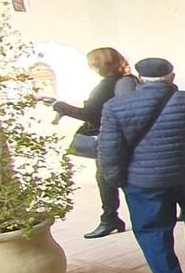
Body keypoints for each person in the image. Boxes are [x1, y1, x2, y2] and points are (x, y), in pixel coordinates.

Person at [98, 58, 185, 273]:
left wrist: (116, 179)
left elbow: (110, 149)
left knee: (152, 229)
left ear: (140, 79)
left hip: (144, 179)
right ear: (172, 77)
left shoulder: (116, 107)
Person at [40, 47, 136, 238]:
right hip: (124, 135)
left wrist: (58, 105)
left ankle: (110, 218)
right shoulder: (129, 79)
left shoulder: (107, 85)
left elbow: (92, 115)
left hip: (109, 138)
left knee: (105, 178)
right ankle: (111, 218)